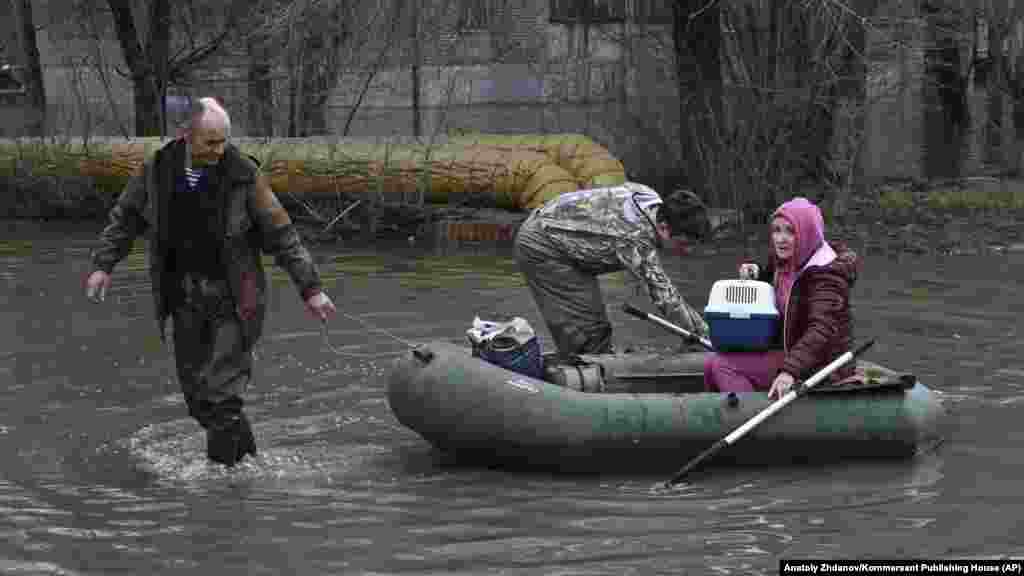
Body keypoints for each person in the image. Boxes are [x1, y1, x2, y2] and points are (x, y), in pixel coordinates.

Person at [85, 97, 337, 467]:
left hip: (236, 300)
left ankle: (220, 487)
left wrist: (311, 290)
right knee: (199, 400)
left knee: (222, 395)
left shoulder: (243, 175)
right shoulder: (156, 171)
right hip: (183, 297)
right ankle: (249, 463)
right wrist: (103, 265)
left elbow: (282, 234)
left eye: (224, 141)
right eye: (211, 143)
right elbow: (125, 218)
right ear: (186, 135)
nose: (220, 150)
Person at [514, 182, 711, 360]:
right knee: (589, 331)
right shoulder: (636, 239)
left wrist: (701, 330)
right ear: (664, 227)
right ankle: (587, 378)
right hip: (544, 246)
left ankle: (590, 360)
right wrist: (703, 336)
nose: (687, 252)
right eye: (684, 244)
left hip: (563, 237)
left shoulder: (648, 196)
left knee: (596, 327)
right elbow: (666, 298)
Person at [703, 197, 859, 400]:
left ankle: (752, 420)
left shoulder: (827, 276)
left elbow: (822, 330)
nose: (781, 238)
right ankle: (720, 421)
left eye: (790, 231)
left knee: (723, 366)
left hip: (822, 365)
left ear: (806, 233)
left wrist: (789, 371)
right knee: (709, 365)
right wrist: (757, 273)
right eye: (776, 230)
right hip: (789, 350)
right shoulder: (787, 261)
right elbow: (778, 284)